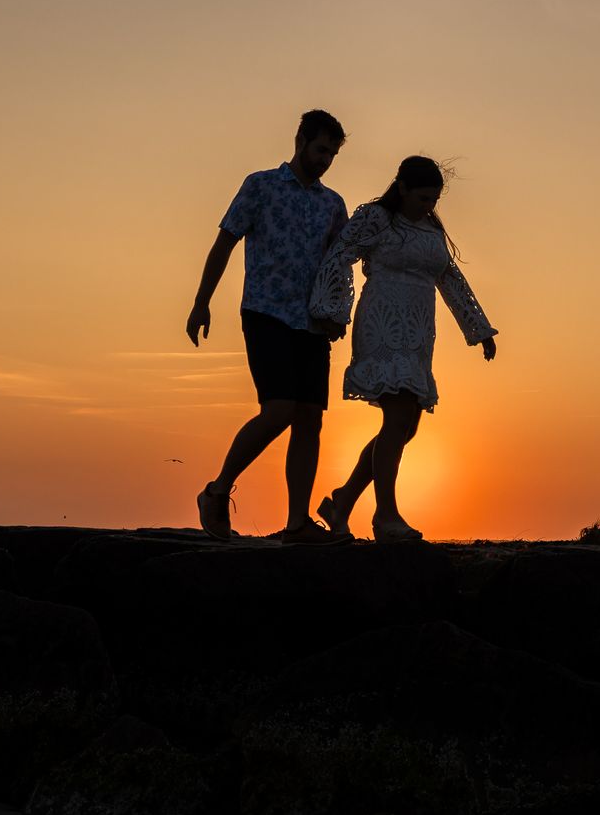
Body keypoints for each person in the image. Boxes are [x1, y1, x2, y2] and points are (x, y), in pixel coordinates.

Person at [308, 155, 498, 543]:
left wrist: (479, 329)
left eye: (434, 200)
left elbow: (449, 277)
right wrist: (332, 311)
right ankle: (386, 515)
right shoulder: (376, 218)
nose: (428, 206)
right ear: (403, 188)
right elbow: (339, 255)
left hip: (419, 331)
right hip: (382, 322)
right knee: (396, 421)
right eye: (422, 198)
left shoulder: (430, 228)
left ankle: (342, 502)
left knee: (406, 426)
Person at [185, 110, 349, 543]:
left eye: (332, 154)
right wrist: (201, 302)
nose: (325, 160)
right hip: (265, 312)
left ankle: (297, 524)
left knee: (309, 419)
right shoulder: (260, 186)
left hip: (312, 322)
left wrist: (337, 314)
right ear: (300, 141)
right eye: (321, 150)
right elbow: (225, 241)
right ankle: (217, 491)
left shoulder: (333, 205)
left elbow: (339, 267)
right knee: (278, 410)